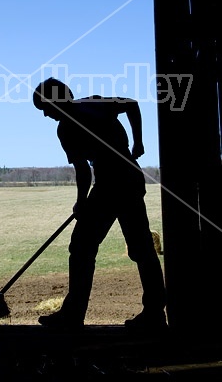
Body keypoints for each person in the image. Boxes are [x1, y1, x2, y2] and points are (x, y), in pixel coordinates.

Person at [33, 77, 167, 332]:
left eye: (45, 108)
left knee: (82, 247)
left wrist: (81, 203)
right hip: (129, 177)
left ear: (54, 101)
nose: (46, 115)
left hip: (109, 184)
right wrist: (138, 142)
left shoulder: (65, 128)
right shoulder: (95, 102)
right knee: (142, 249)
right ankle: (155, 314)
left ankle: (73, 315)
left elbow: (83, 172)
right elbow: (132, 104)